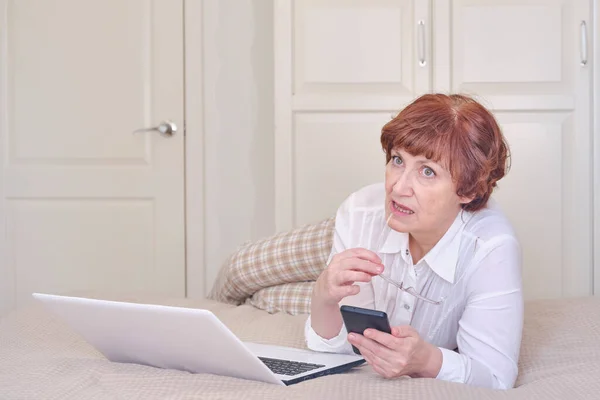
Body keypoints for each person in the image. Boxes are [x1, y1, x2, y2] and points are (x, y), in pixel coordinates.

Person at [304, 93, 523, 390]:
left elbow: (495, 377)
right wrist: (321, 297)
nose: (398, 186)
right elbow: (345, 342)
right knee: (242, 269)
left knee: (275, 294)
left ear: (468, 190)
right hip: (351, 227)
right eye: (397, 160)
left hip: (402, 225)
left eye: (427, 171)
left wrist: (428, 360)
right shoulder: (358, 211)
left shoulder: (491, 247)